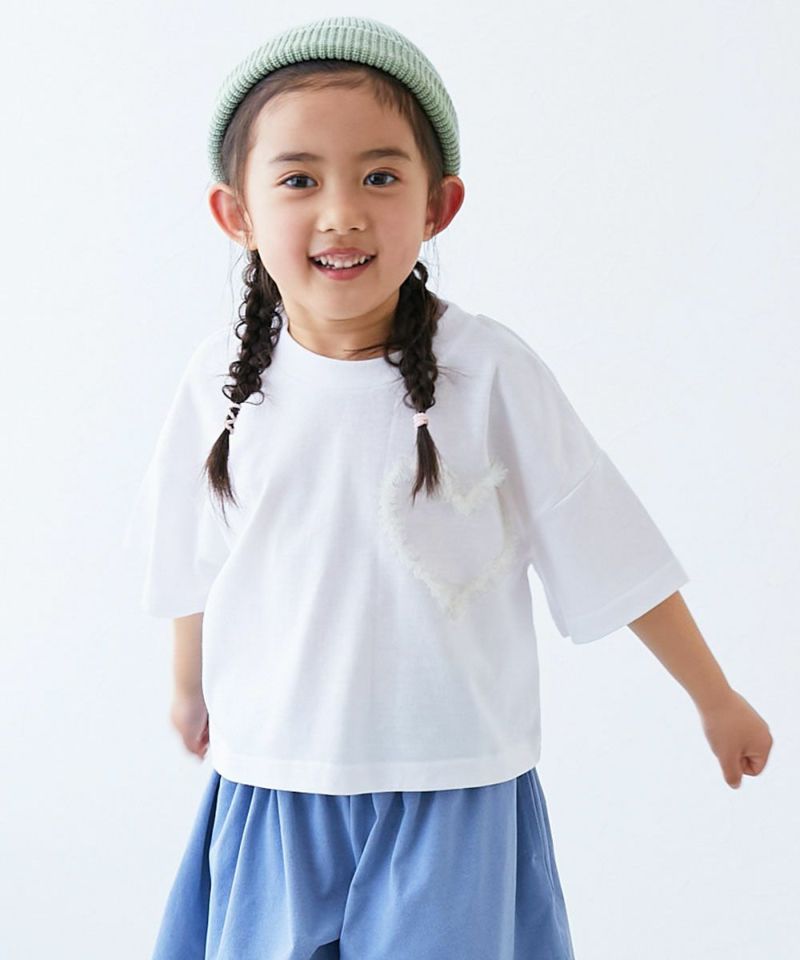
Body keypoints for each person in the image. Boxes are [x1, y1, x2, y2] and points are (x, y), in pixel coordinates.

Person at [122, 15, 773, 960]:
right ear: (237, 214)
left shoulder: (490, 373)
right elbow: (193, 551)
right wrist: (188, 689)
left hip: (452, 786)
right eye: (299, 179)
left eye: (380, 177)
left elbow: (605, 539)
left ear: (439, 205)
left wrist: (715, 696)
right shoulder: (220, 381)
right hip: (273, 780)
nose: (341, 212)